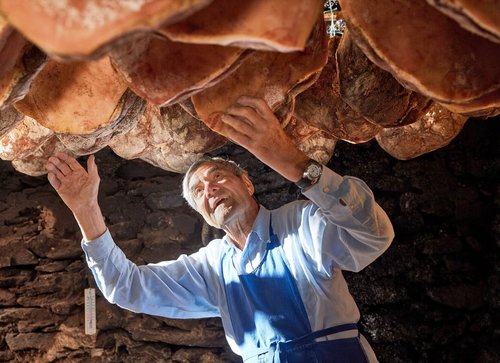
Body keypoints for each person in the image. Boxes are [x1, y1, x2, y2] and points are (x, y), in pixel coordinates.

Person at [47, 96, 394, 363]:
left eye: (217, 177)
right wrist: (85, 210)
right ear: (202, 213)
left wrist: (290, 159)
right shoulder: (211, 267)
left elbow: (373, 234)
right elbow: (128, 287)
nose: (208, 189)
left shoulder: (300, 224)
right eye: (198, 191)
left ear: (247, 183)